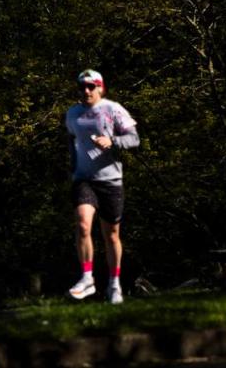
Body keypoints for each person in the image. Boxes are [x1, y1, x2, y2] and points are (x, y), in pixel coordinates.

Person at [65, 69, 139, 304]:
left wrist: (113, 141)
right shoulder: (73, 114)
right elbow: (71, 140)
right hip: (83, 179)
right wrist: (73, 167)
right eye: (81, 87)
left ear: (100, 88)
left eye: (90, 86)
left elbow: (134, 139)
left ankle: (114, 284)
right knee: (83, 224)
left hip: (110, 180)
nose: (86, 91)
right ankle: (87, 277)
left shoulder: (113, 109)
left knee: (112, 235)